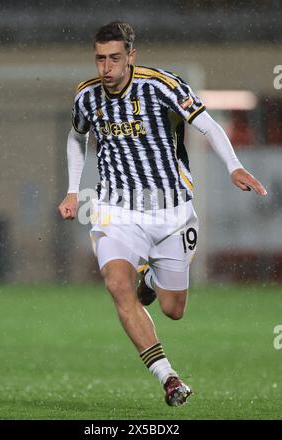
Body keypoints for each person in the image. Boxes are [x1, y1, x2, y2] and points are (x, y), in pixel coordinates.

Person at [58, 22, 267, 407]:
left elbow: (207, 124)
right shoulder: (87, 96)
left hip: (171, 213)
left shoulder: (161, 86)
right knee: (118, 285)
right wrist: (73, 190)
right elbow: (76, 136)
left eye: (114, 58)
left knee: (173, 310)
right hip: (115, 210)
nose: (106, 67)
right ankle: (168, 377)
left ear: (131, 57)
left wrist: (233, 166)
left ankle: (150, 280)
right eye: (100, 58)